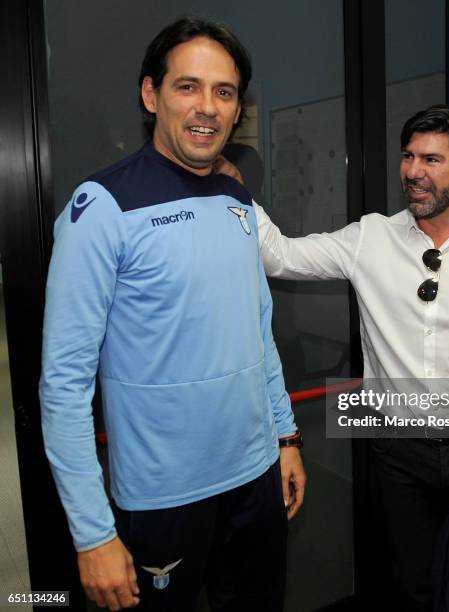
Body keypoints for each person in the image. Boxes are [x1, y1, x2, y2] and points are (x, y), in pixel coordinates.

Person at [39, 16, 305, 612]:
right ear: (150, 95)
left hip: (256, 479)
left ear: (238, 109)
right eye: (188, 86)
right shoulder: (101, 208)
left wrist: (287, 438)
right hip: (161, 504)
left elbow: (259, 335)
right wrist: (92, 532)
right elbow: (63, 386)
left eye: (224, 91)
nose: (206, 107)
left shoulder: (239, 200)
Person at [240, 105, 449, 611]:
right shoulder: (370, 238)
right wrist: (232, 192)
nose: (413, 171)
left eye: (431, 159)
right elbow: (279, 254)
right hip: (397, 451)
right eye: (408, 156)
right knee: (414, 585)